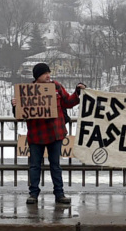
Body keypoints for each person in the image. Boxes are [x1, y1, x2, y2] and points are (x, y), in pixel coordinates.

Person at [14, 63, 85, 206]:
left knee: (56, 165)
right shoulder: (27, 91)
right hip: (36, 133)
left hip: (55, 133)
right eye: (44, 73)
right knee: (35, 166)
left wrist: (78, 91)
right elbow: (20, 116)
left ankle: (59, 194)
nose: (48, 75)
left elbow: (69, 102)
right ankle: (33, 194)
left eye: (48, 72)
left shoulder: (56, 86)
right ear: (37, 77)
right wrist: (15, 105)